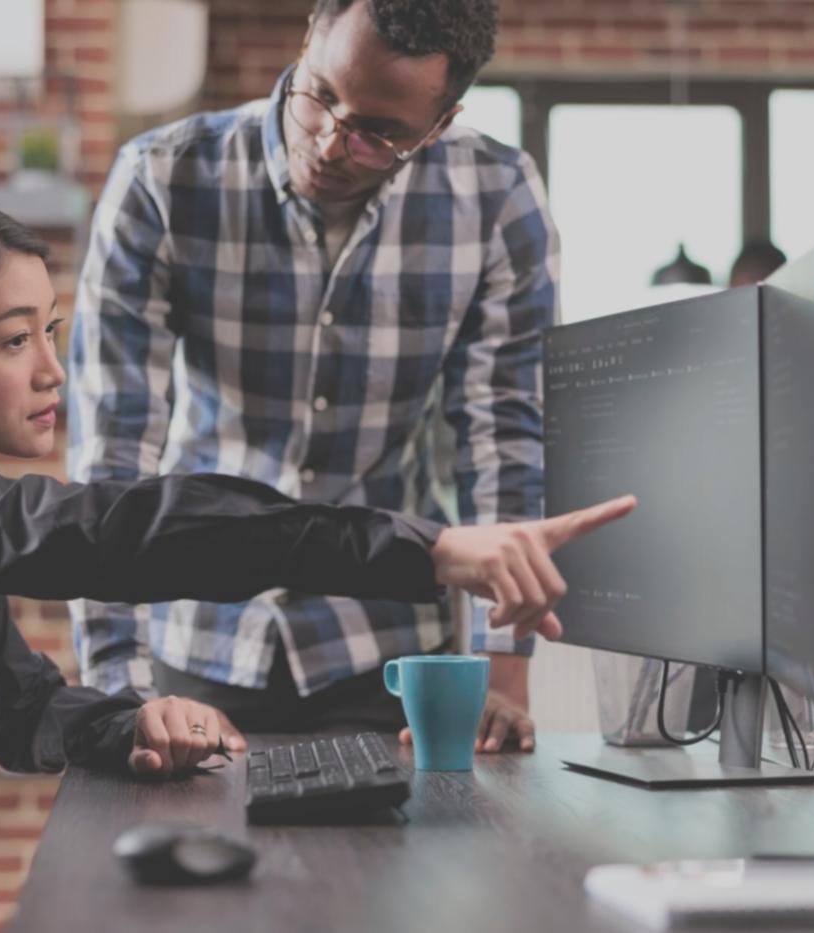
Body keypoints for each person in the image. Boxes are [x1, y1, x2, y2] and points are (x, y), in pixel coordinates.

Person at [0, 196, 631, 932]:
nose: (51, 370)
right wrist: (432, 547)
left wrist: (127, 719)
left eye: (49, 333)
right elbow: (116, 530)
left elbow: (16, 707)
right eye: (13, 341)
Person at [68, 0, 557, 754]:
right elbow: (113, 455)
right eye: (320, 95)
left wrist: (504, 673)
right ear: (307, 40)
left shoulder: (496, 197)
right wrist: (118, 691)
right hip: (196, 634)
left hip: (388, 647)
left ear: (440, 122)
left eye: (379, 132)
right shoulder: (162, 180)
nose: (331, 141)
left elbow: (503, 440)